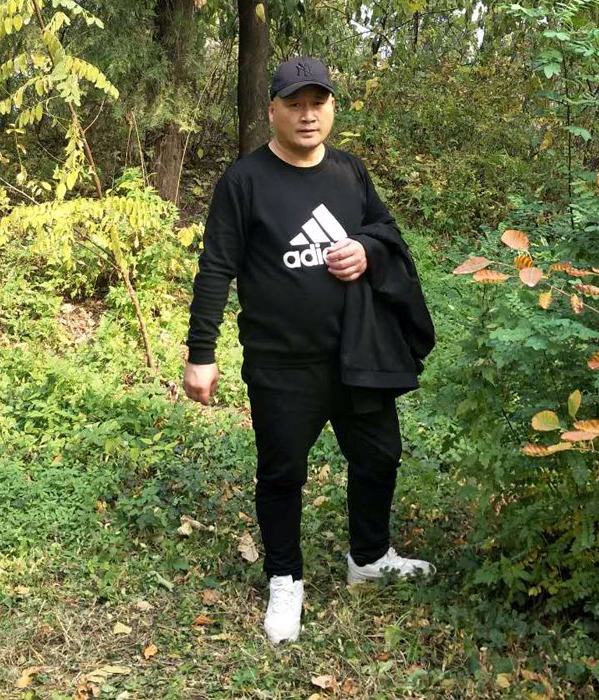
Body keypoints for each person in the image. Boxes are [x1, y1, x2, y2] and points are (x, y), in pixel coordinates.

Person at [183, 57, 435, 644]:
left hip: (356, 353)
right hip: (281, 362)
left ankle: (369, 557)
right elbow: (216, 267)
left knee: (379, 457)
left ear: (331, 108)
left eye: (317, 103)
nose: (307, 115)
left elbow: (386, 230)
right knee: (281, 473)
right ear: (272, 110)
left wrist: (367, 250)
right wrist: (201, 352)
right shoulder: (245, 180)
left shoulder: (350, 172)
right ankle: (285, 578)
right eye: (294, 104)